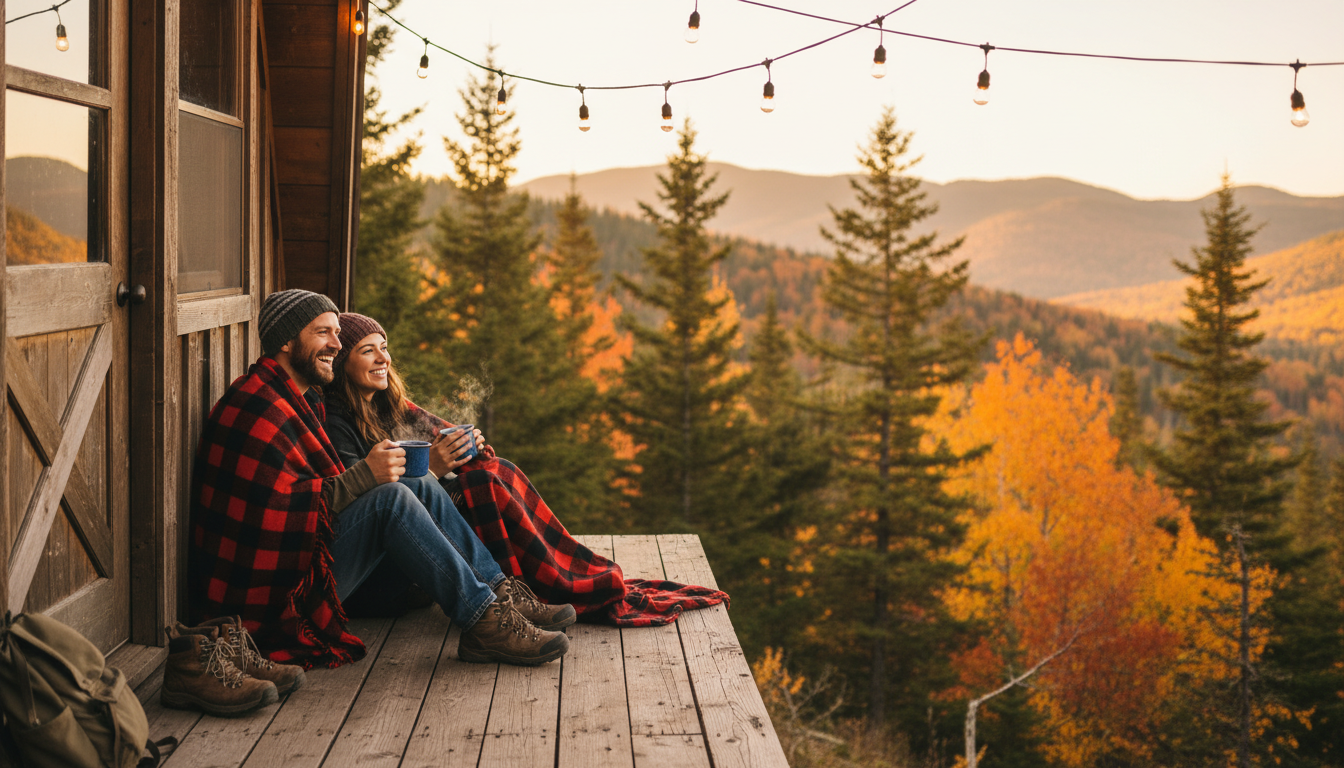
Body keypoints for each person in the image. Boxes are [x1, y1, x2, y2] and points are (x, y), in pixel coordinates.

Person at [188, 290, 571, 702]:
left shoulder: (296, 397)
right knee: (392, 498)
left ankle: (495, 597)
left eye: (338, 334)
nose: (336, 344)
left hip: (306, 561)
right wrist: (364, 478)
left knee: (417, 484)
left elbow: (317, 497)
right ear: (285, 341)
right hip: (268, 595)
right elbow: (273, 517)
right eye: (324, 333)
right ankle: (483, 622)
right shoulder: (258, 406)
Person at [321, 313, 731, 627]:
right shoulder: (336, 419)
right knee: (470, 484)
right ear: (344, 364)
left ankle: (517, 587)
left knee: (494, 473)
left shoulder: (388, 404)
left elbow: (438, 436)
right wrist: (437, 464)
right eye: (368, 350)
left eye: (385, 346)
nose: (383, 358)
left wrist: (466, 448)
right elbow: (372, 505)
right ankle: (507, 598)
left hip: (411, 559)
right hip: (376, 579)